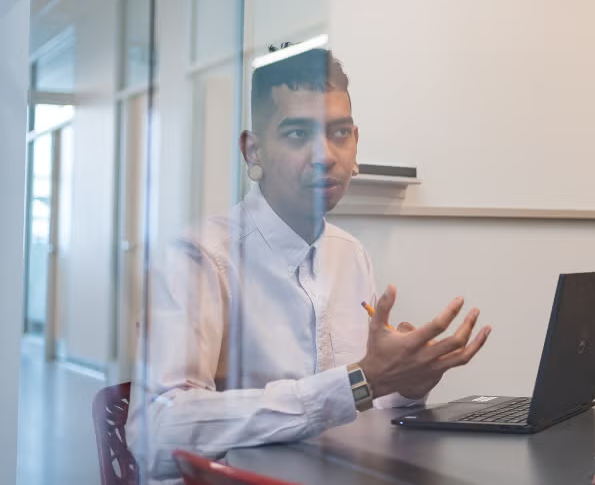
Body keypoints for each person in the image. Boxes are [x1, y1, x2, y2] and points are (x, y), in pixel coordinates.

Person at [128, 47, 491, 480]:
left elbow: (358, 401)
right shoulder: (199, 256)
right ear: (254, 152)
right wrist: (359, 382)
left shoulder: (350, 254)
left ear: (356, 142)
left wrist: (407, 385)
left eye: (339, 133)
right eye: (298, 134)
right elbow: (158, 435)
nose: (325, 155)